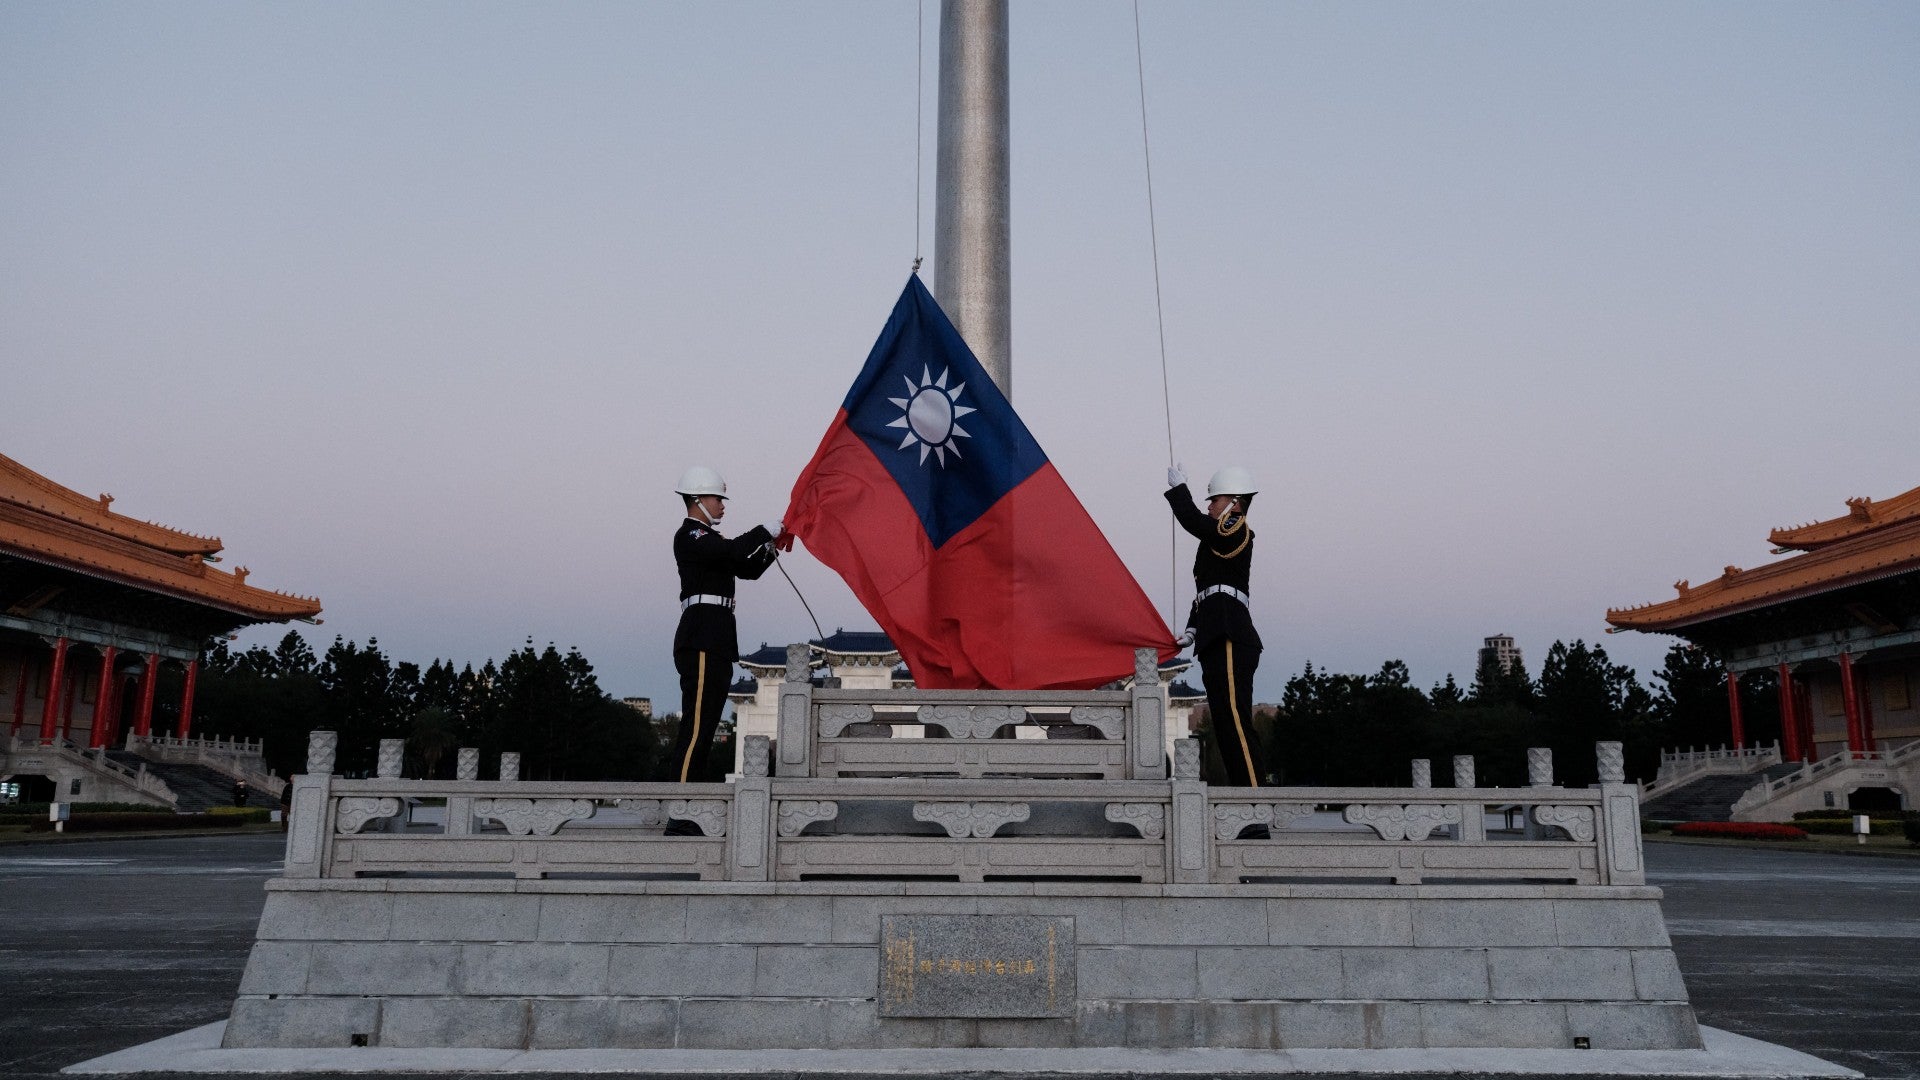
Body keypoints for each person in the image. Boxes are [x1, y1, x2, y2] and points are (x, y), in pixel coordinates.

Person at [662, 466, 780, 801]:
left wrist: (773, 546)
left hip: (717, 641)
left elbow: (747, 569)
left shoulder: (712, 542)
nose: (722, 505)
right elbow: (733, 552)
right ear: (697, 499)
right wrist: (764, 530)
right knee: (696, 726)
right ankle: (680, 807)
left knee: (707, 726)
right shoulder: (690, 536)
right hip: (700, 640)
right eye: (718, 498)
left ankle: (690, 802)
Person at [1164, 464, 1267, 788]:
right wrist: (1192, 629)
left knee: (1235, 720)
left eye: (1214, 500)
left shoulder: (1236, 527)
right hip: (1214, 635)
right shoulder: (1215, 539)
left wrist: (1181, 492)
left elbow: (1198, 524)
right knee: (1224, 723)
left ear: (1234, 503)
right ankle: (1246, 799)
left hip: (1231, 635)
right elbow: (1207, 592)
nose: (1209, 506)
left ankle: (1255, 803)